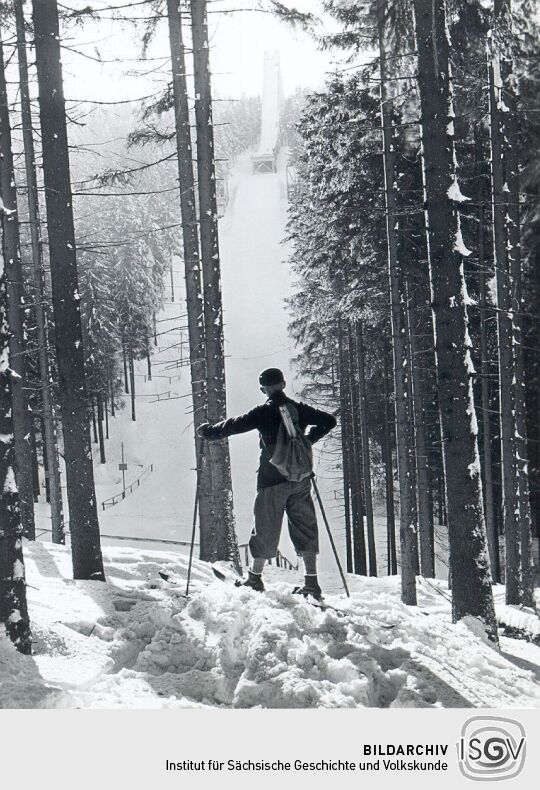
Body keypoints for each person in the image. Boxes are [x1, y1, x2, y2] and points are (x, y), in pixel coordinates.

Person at [197, 367, 336, 600]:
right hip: (300, 479)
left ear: (264, 389)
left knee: (265, 528)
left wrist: (208, 432)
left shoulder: (263, 412)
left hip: (272, 480)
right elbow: (329, 421)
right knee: (305, 528)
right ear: (283, 384)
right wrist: (307, 441)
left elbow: (233, 425)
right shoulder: (299, 410)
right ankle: (311, 582)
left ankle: (255, 578)